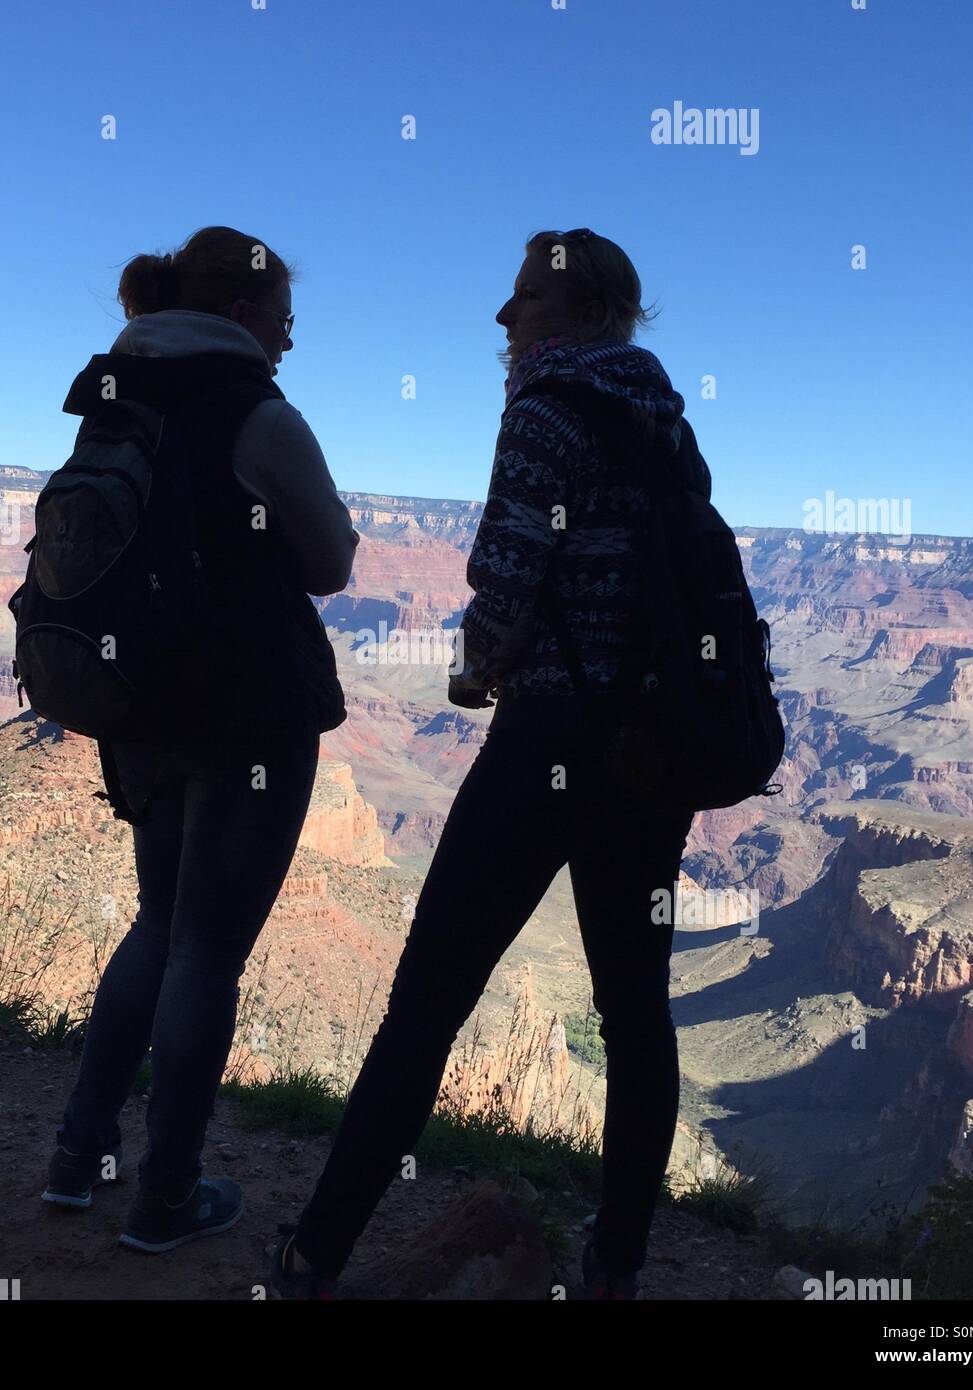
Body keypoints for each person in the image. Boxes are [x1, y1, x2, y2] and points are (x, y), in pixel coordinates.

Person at [272, 229, 708, 1299]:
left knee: (426, 1002)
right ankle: (615, 1265)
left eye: (522, 304)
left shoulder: (546, 405)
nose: (503, 323)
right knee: (635, 1013)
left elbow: (507, 575)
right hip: (651, 752)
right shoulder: (665, 419)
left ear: (575, 313)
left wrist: (473, 669)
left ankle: (312, 1253)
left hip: (549, 739)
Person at [41, 226, 359, 1253]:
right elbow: (329, 564)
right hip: (247, 715)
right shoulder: (254, 408)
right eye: (284, 320)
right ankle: (165, 1195)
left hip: (137, 702)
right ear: (242, 313)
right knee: (207, 952)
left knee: (157, 923)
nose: (291, 343)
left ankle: (75, 1158)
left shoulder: (118, 392)